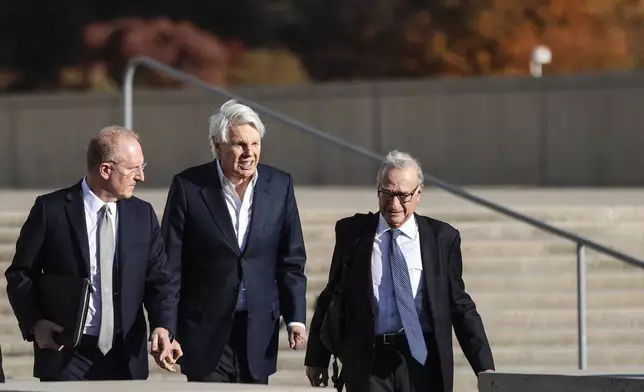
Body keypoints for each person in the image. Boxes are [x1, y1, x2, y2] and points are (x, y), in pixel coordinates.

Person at [305, 150, 495, 392]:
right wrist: (317, 358)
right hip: (369, 359)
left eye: (403, 195)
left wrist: (484, 367)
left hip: (422, 359)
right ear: (378, 191)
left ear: (419, 193)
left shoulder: (442, 238)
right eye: (387, 193)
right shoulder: (353, 234)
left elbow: (460, 305)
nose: (394, 204)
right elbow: (331, 295)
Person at [5, 126, 180, 381]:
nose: (141, 176)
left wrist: (163, 326)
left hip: (125, 356)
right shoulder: (50, 211)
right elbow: (20, 274)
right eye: (133, 169)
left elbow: (161, 281)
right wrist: (36, 323)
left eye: (142, 166)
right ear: (105, 170)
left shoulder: (143, 215)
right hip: (66, 355)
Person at [161, 99, 307, 384]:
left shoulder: (279, 185)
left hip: (258, 330)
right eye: (240, 144)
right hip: (204, 331)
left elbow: (291, 259)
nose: (249, 152)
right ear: (218, 145)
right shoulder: (188, 186)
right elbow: (170, 266)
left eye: (255, 144)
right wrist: (166, 326)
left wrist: (296, 318)